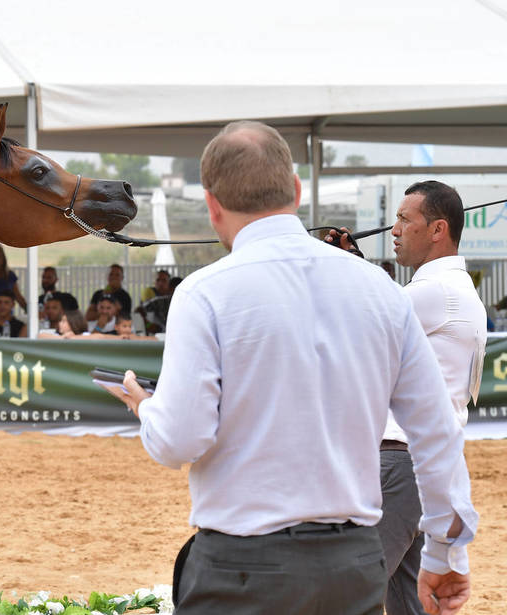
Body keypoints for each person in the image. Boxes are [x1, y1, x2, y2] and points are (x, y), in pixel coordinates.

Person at [100, 121, 476, 615]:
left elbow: (179, 441)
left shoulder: (203, 292)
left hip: (241, 562)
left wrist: (147, 408)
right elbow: (436, 433)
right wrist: (447, 550)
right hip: (350, 560)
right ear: (296, 191)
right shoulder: (382, 290)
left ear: (213, 206)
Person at [327, 180, 487, 615]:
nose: (393, 229)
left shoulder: (436, 292)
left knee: (350, 593)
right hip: (425, 469)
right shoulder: (451, 290)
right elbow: (381, 306)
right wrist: (353, 264)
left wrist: (337, 264)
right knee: (407, 603)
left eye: (403, 219)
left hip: (401, 464)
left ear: (437, 229)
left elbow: (358, 320)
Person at [137, 269, 173, 334]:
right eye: (158, 280)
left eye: (164, 280)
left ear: (169, 284)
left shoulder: (173, 299)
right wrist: (149, 326)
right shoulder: (149, 295)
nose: (160, 283)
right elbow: (139, 314)